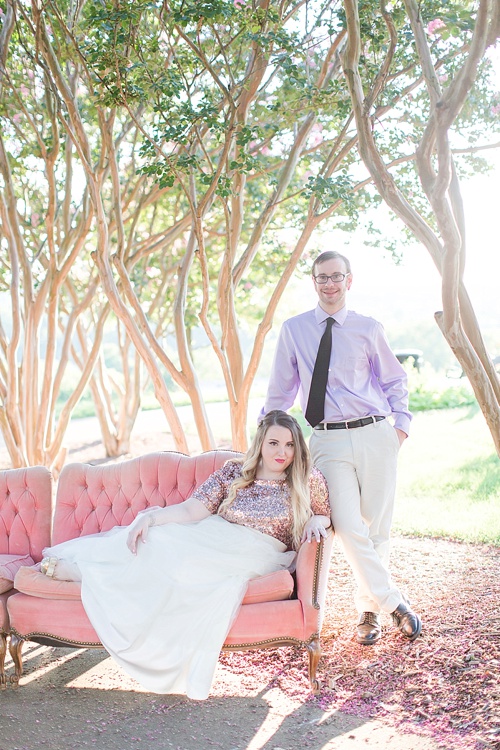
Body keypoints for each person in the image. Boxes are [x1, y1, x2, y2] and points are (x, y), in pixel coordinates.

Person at [39, 410, 331, 699]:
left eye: (290, 444)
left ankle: (88, 574)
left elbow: (325, 514)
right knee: (157, 539)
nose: (282, 452)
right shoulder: (235, 471)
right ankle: (87, 569)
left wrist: (319, 520)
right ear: (260, 444)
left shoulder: (307, 478)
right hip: (216, 534)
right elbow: (193, 510)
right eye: (274, 443)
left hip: (258, 551)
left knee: (185, 563)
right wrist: (150, 519)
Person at [261, 251, 422, 646]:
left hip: (375, 435)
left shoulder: (368, 328)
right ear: (313, 282)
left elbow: (394, 381)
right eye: (321, 278)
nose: (329, 285)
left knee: (377, 527)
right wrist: (266, 435)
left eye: (336, 277)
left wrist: (398, 428)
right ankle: (394, 602)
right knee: (349, 527)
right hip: (328, 439)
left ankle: (368, 613)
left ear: (349, 281)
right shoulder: (295, 330)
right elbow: (280, 392)